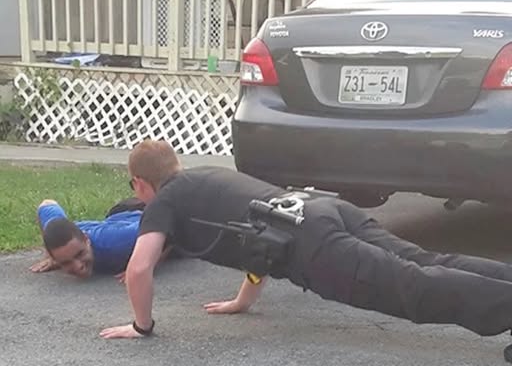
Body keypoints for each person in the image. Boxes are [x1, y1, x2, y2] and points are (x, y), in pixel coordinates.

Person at [100, 139, 512, 341]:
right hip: (323, 209)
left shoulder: (164, 200)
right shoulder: (205, 176)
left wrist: (142, 326)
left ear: (140, 183)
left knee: (410, 285)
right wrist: (242, 301)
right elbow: (257, 240)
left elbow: (139, 268)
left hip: (312, 242)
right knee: (424, 262)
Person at [32, 197, 145, 279]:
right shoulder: (57, 228)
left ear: (87, 239)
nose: (78, 266)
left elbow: (155, 224)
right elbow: (47, 204)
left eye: (80, 254)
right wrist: (51, 256)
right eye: (66, 262)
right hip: (113, 219)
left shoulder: (116, 242)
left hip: (138, 209)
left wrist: (145, 263)